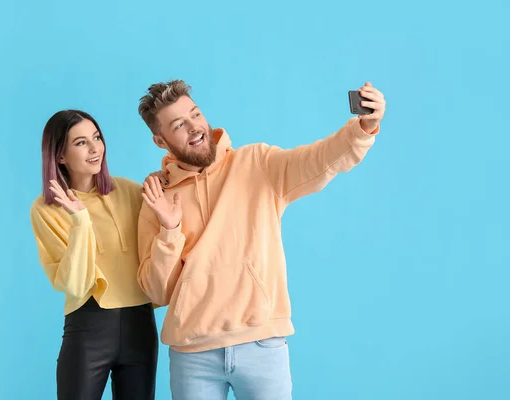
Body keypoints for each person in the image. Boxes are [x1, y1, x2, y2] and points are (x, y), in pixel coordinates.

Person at [136, 80, 386, 399]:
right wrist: (169, 231)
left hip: (262, 345)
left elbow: (318, 160)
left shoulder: (256, 163)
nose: (194, 127)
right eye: (178, 125)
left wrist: (363, 128)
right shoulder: (157, 198)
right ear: (161, 140)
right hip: (192, 354)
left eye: (195, 114)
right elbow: (157, 291)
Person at [30, 110, 160, 400]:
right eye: (80, 142)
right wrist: (80, 220)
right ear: (60, 156)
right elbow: (76, 285)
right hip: (88, 325)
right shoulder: (45, 209)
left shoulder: (129, 190)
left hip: (140, 323)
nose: (94, 148)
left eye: (97, 138)